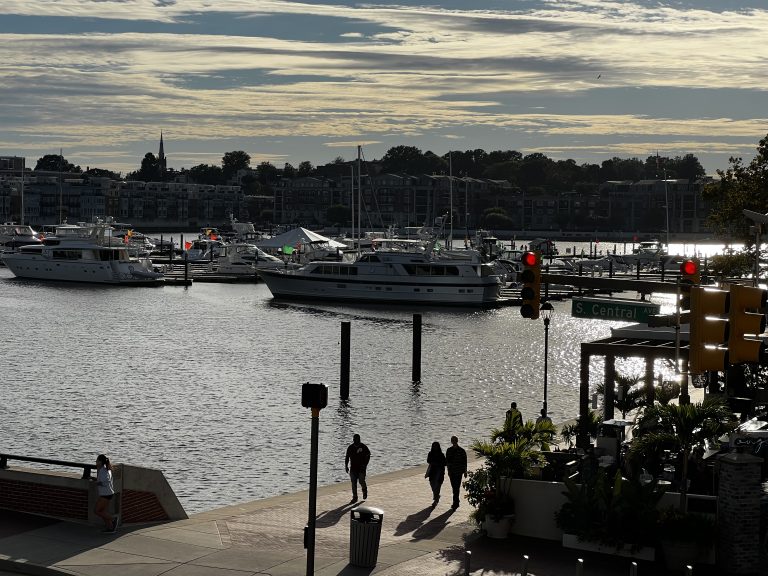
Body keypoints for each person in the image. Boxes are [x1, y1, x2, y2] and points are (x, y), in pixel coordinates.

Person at [93, 454, 117, 533]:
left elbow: (105, 480)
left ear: (100, 462)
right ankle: (110, 528)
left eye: (97, 460)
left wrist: (98, 483)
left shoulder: (103, 470)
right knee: (102, 511)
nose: (95, 462)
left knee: (97, 511)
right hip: (108, 493)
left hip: (106, 494)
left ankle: (113, 519)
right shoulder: (105, 469)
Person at [345, 434, 370, 503]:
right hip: (353, 468)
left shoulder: (363, 447)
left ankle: (364, 490)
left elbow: (368, 455)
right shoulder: (350, 448)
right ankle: (355, 497)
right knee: (353, 483)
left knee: (361, 481)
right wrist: (346, 466)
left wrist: (365, 464)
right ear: (353, 440)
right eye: (355, 439)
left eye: (358, 439)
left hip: (361, 468)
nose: (356, 441)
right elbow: (347, 457)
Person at [445, 435, 468, 510]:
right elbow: (447, 461)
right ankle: (456, 500)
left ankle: (455, 502)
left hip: (459, 471)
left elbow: (465, 462)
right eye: (452, 440)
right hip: (452, 472)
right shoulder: (449, 450)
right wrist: (448, 471)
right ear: (451, 441)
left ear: (457, 441)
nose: (454, 442)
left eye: (455, 440)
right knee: (453, 486)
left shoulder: (462, 451)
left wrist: (465, 471)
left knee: (456, 487)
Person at [425, 441, 446, 507]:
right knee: (432, 485)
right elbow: (428, 461)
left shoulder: (441, 455)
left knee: (437, 486)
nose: (435, 447)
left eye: (436, 446)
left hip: (439, 473)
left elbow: (445, 463)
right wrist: (434, 463)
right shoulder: (430, 453)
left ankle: (436, 500)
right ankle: (437, 496)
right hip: (432, 472)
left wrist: (438, 464)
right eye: (434, 446)